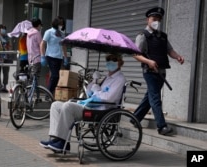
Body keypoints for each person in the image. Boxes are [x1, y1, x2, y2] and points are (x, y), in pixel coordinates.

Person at [39, 53, 126, 152]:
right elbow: (89, 93)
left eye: (114, 60)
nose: (110, 63)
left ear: (119, 63)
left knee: (68, 106)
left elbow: (109, 98)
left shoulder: (119, 79)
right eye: (108, 60)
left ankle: (63, 143)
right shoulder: (107, 77)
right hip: (91, 105)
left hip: (100, 110)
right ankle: (56, 139)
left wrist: (97, 90)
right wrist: (94, 81)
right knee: (55, 105)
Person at [133, 7, 184, 136]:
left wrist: (177, 57)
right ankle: (162, 126)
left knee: (149, 97)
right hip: (149, 72)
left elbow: (170, 50)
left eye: (159, 20)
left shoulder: (162, 36)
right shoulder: (142, 35)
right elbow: (135, 54)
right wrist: (149, 62)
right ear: (148, 20)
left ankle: (135, 118)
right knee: (155, 98)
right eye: (154, 19)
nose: (156, 22)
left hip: (162, 71)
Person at [40, 16, 68, 95]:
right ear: (56, 23)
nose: (61, 25)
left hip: (59, 57)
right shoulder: (49, 32)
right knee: (55, 76)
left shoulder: (62, 34)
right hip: (51, 56)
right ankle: (48, 93)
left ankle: (50, 93)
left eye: (62, 24)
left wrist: (65, 57)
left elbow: (64, 46)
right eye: (60, 24)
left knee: (56, 77)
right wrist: (42, 56)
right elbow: (42, 43)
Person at [26, 18, 43, 86]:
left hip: (30, 58)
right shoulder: (37, 33)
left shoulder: (28, 33)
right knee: (35, 76)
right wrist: (43, 55)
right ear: (38, 25)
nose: (40, 27)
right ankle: (32, 92)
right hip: (37, 58)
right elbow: (41, 45)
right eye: (40, 25)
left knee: (31, 76)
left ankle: (29, 90)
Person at [0, 24, 12, 92]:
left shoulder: (7, 37)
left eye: (4, 29)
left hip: (6, 57)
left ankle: (5, 86)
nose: (3, 30)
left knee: (6, 72)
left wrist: (7, 47)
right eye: (2, 29)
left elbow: (10, 46)